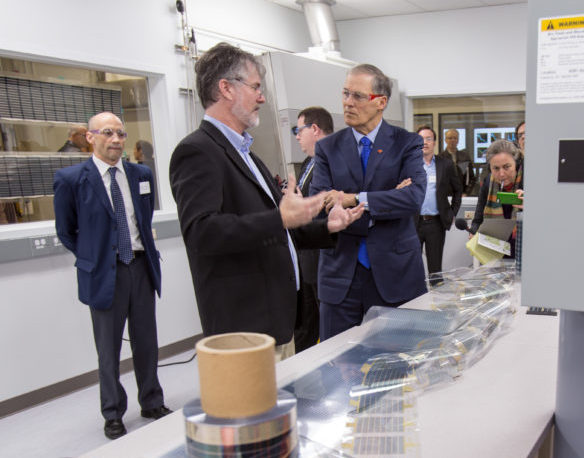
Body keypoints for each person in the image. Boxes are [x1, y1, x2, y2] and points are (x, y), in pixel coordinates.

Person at [169, 43, 363, 359]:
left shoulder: (248, 156)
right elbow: (201, 232)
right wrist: (279, 218)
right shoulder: (197, 151)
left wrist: (327, 227)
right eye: (256, 87)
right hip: (244, 327)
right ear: (226, 89)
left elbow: (278, 231)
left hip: (278, 320)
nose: (262, 98)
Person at [53, 112, 170, 440]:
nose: (116, 139)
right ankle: (113, 413)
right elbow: (66, 231)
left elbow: (143, 219)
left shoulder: (141, 174)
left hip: (141, 266)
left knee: (147, 341)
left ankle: (151, 401)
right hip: (104, 273)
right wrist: (95, 257)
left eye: (121, 133)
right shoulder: (71, 179)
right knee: (108, 349)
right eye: (108, 132)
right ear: (90, 137)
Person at [310, 63, 427, 340]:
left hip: (395, 274)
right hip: (341, 277)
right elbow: (319, 207)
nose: (348, 102)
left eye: (358, 96)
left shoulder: (406, 143)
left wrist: (352, 199)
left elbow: (413, 199)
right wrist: (387, 200)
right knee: (335, 360)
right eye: (345, 93)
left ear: (381, 102)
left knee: (397, 358)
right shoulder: (327, 148)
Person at [293, 106, 335, 351]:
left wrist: (302, 206)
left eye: (299, 130)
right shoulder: (308, 163)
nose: (297, 136)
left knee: (327, 323)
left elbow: (331, 205)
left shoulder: (334, 161)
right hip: (306, 257)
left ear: (315, 129)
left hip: (324, 257)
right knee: (307, 323)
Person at [459, 138, 524, 259]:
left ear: (516, 163)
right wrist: (474, 231)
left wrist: (529, 204)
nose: (501, 174)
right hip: (497, 248)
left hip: (524, 247)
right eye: (496, 168)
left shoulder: (527, 179)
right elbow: (478, 217)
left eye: (507, 167)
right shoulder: (489, 181)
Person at [414, 125, 462, 284]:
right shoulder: (410, 164)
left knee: (435, 270)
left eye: (429, 139)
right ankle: (415, 297)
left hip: (435, 223)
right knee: (412, 266)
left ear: (434, 142)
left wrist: (452, 212)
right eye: (421, 139)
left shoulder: (445, 164)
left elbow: (457, 189)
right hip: (414, 222)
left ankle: (435, 297)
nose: (425, 142)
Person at [441, 128, 475, 195]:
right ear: (445, 140)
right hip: (446, 196)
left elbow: (471, 178)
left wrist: (466, 193)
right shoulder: (440, 158)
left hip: (461, 196)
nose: (453, 140)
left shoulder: (465, 157)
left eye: (455, 138)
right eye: (450, 138)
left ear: (458, 140)